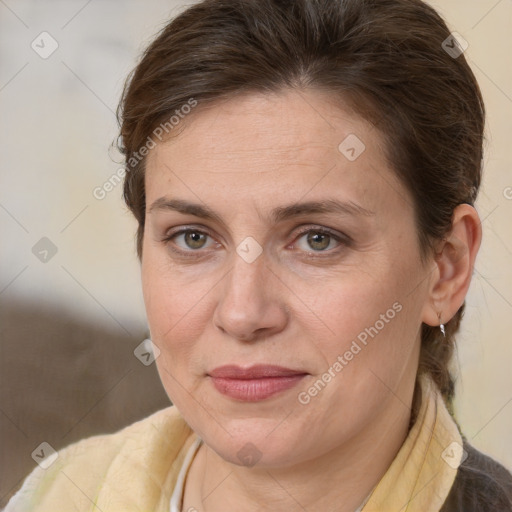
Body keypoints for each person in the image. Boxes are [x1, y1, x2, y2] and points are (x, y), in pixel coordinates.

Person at [5, 0, 512, 510]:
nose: (242, 313)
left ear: (445, 269)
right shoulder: (61, 495)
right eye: (193, 237)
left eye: (318, 239)